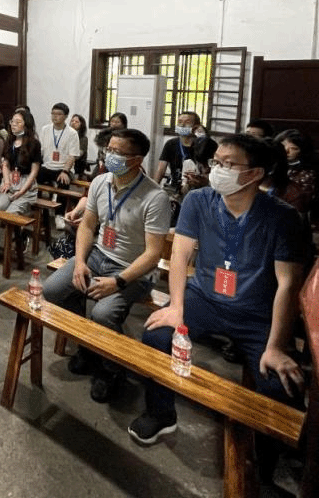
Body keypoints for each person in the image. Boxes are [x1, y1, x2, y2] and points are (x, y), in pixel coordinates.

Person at [129, 134, 306, 446]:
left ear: (255, 173)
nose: (217, 170)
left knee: (280, 383)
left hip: (256, 312)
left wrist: (277, 345)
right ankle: (160, 413)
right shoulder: (199, 201)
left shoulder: (282, 217)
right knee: (157, 335)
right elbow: (180, 255)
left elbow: (288, 284)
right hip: (204, 298)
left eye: (228, 164)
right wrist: (176, 308)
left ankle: (265, 458)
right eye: (216, 162)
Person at [42, 128, 169, 403]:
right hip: (97, 256)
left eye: (117, 152)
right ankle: (88, 346)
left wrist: (118, 282)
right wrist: (79, 263)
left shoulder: (155, 197)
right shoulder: (101, 182)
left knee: (102, 313)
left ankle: (111, 369)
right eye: (108, 149)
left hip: (132, 270)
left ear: (136, 159)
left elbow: (153, 254)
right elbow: (88, 226)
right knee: (52, 290)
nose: (109, 155)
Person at [0, 109, 43, 252]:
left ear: (26, 125)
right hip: (10, 183)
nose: (13, 124)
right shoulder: (10, 141)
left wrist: (22, 191)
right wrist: (6, 182)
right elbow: (5, 164)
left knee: (10, 215)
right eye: (12, 121)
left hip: (26, 186)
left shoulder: (34, 144)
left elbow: (34, 171)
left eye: (18, 122)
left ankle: (17, 240)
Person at [274, 129, 319, 219]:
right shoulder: (270, 166)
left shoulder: (306, 174)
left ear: (302, 151)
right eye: (282, 147)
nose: (286, 151)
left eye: (293, 148)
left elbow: (301, 204)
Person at [38, 102, 81, 188]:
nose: (55, 116)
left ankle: (61, 197)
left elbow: (72, 156)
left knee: (63, 181)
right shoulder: (45, 130)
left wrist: (65, 172)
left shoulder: (72, 133)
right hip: (47, 166)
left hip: (63, 168)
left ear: (66, 116)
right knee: (34, 177)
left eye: (58, 114)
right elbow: (40, 151)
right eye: (53, 113)